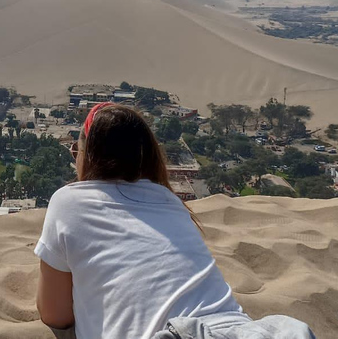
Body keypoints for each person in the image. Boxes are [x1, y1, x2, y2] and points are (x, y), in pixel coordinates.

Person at [34, 103, 315, 339]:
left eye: (76, 152)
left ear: (87, 156)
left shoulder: (67, 201)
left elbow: (55, 315)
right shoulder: (171, 202)